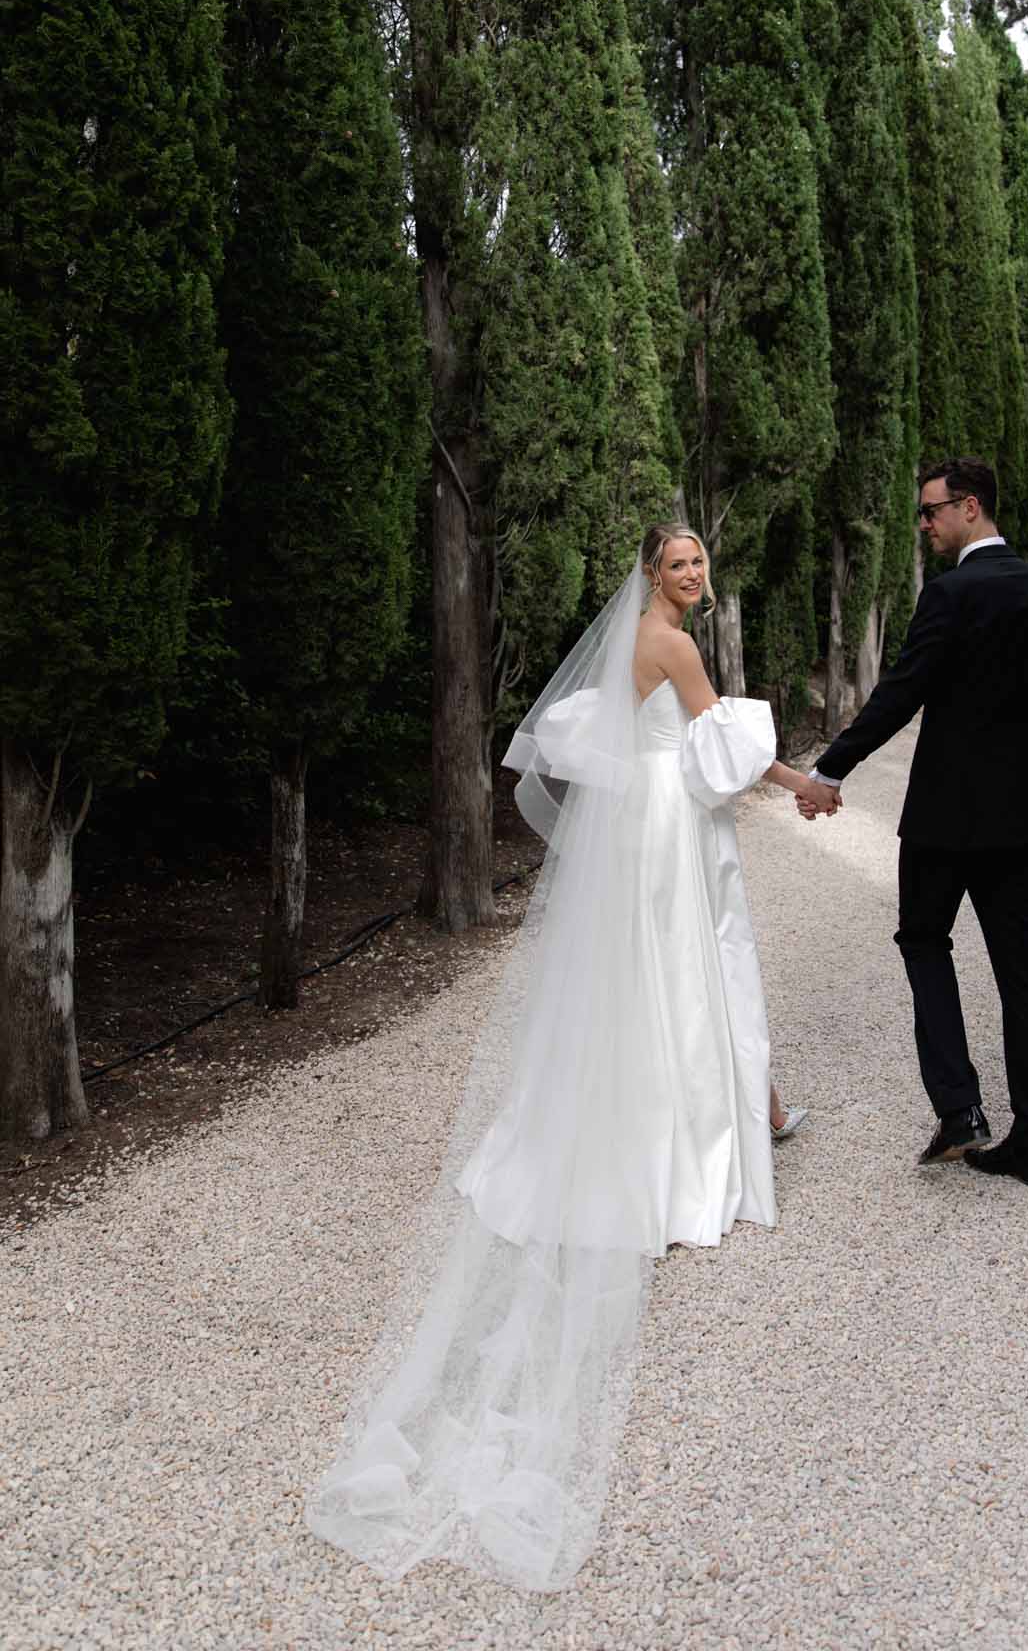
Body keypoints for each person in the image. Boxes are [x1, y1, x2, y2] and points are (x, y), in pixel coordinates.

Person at [306, 523, 819, 1592]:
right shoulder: (670, 643)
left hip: (641, 828)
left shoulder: (632, 639)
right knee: (688, 980)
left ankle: (723, 1109)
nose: (694, 574)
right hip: (671, 834)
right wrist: (802, 782)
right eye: (679, 562)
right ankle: (689, 1146)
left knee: (658, 983)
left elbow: (607, 739)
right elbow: (723, 751)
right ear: (649, 573)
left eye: (699, 562)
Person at [799, 459, 1028, 1192]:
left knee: (923, 941)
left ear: (970, 508)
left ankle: (959, 1112)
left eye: (930, 512)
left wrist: (829, 770)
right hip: (1018, 811)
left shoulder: (950, 594)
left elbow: (901, 692)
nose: (923, 526)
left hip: (945, 817)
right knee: (1020, 967)